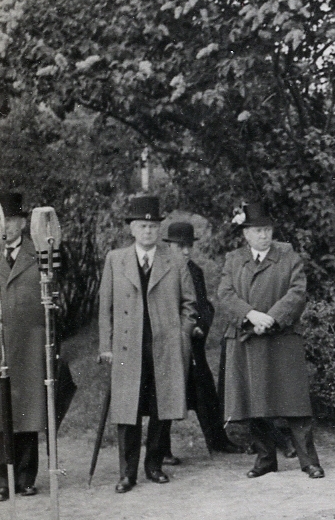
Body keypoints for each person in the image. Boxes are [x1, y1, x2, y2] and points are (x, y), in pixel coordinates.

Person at [219, 202, 323, 480]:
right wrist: (250, 315)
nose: (263, 235)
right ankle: (265, 458)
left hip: (281, 338)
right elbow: (226, 295)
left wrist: (272, 318)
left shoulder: (288, 255)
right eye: (257, 231)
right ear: (246, 234)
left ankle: (308, 460)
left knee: (295, 402)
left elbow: (297, 292)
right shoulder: (234, 259)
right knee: (255, 402)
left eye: (266, 230)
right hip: (246, 338)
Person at [98, 195, 195, 493]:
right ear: (132, 229)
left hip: (163, 346)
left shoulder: (175, 260)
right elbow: (105, 307)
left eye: (153, 226)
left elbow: (190, 304)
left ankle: (154, 465)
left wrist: (181, 335)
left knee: (160, 407)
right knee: (128, 411)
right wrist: (106, 345)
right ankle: (127, 473)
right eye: (142, 226)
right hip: (129, 347)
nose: (148, 231)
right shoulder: (116, 260)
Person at [160, 221, 243, 460]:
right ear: (170, 246)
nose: (186, 252)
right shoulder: (161, 270)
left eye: (189, 247)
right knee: (167, 395)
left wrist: (200, 327)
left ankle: (219, 440)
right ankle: (161, 450)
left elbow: (204, 307)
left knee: (205, 391)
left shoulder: (195, 271)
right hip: (168, 344)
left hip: (193, 345)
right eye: (180, 247)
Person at [0, 191, 46, 499]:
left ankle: (27, 477)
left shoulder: (37, 253)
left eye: (12, 221)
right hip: (1, 344)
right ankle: (3, 480)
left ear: (22, 222)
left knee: (29, 410)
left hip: (29, 342)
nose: (7, 228)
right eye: (3, 222)